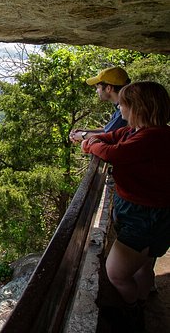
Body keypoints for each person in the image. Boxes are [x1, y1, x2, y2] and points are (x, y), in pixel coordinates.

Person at [81, 81, 170, 330]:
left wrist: (88, 144)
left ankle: (132, 311)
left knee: (117, 273)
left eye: (124, 103)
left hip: (144, 215)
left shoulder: (152, 137)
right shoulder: (136, 132)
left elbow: (113, 154)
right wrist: (94, 138)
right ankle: (142, 302)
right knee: (143, 266)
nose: (119, 106)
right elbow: (111, 137)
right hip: (145, 211)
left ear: (137, 108)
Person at [69, 66, 130, 142]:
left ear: (108, 88)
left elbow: (108, 135)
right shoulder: (120, 108)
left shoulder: (125, 111)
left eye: (98, 87)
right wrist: (85, 131)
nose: (97, 91)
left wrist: (83, 135)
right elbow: (107, 129)